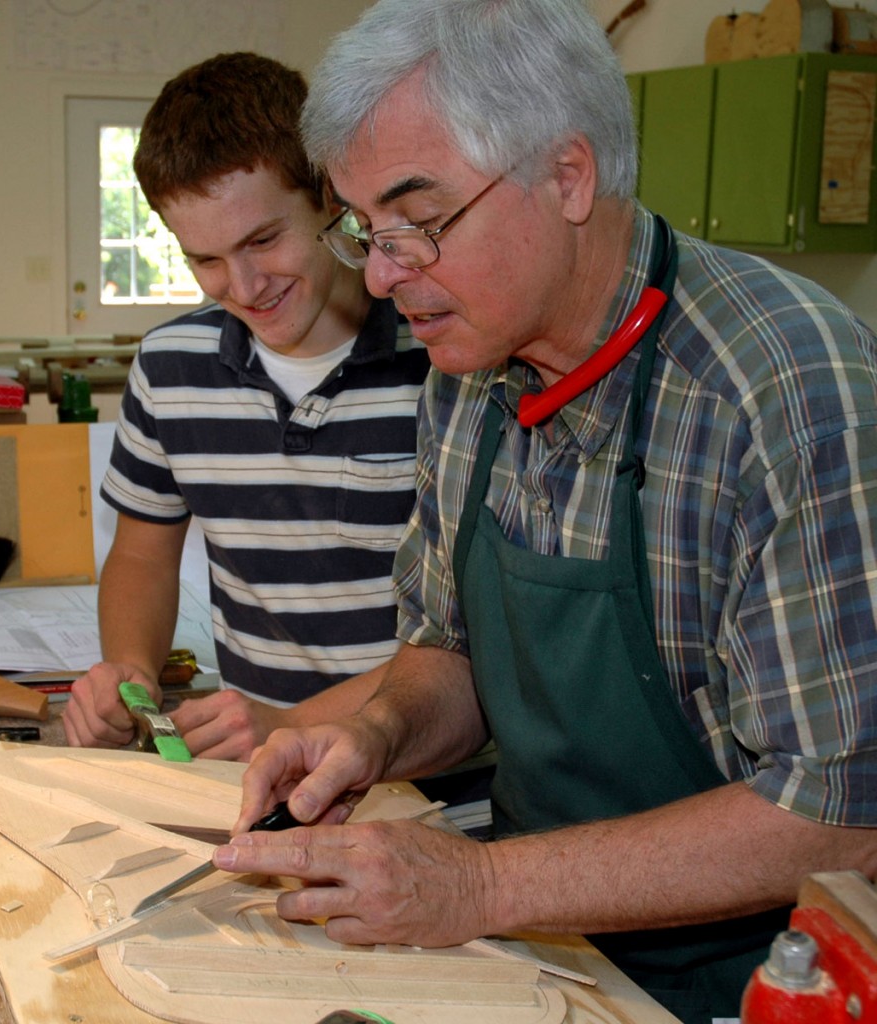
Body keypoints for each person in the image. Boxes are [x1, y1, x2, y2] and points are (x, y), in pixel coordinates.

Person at [215, 3, 877, 1022]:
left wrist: (478, 886)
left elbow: (838, 817)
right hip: (536, 956)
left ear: (566, 177)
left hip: (745, 982)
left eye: (416, 221)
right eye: (362, 228)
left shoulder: (784, 390)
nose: (382, 274)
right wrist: (378, 735)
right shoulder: (466, 368)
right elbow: (450, 652)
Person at [61, 52, 430, 763]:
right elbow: (141, 554)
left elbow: (472, 642)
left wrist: (296, 725)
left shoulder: (441, 359)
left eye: (264, 239)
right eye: (205, 259)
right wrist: (131, 673)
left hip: (422, 772)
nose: (245, 284)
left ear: (330, 196)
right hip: (259, 772)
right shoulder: (171, 368)